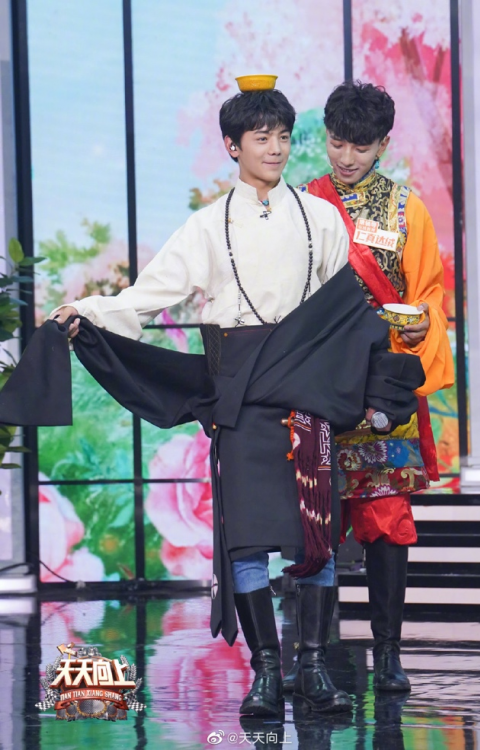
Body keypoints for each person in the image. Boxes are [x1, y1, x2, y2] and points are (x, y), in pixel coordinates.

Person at [46, 82, 423, 718]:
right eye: (261, 138)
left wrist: (384, 366)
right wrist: (84, 310)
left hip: (307, 394)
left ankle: (312, 669)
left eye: (283, 137)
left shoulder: (321, 218)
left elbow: (344, 317)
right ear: (232, 146)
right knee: (246, 541)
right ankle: (266, 672)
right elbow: (147, 296)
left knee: (314, 534)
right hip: (242, 393)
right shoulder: (206, 226)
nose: (275, 149)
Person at [291, 81, 454, 693]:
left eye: (361, 147)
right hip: (317, 383)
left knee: (387, 517)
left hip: (383, 384)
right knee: (314, 520)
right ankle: (312, 658)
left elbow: (428, 292)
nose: (347, 157)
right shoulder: (304, 204)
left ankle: (388, 655)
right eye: (337, 143)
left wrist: (418, 324)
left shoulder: (407, 209)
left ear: (383, 143)